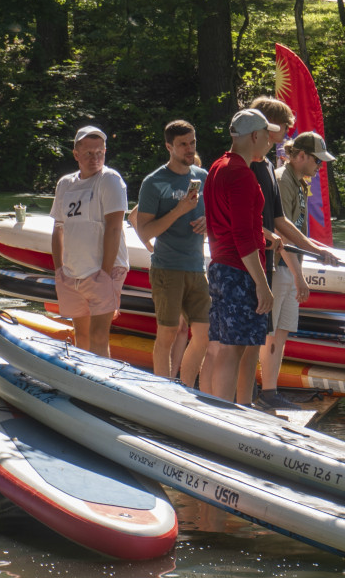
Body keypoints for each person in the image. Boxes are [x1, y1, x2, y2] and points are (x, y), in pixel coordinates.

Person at [238, 97, 338, 409]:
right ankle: (253, 396)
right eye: (316, 160)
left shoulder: (294, 180)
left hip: (286, 264)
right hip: (276, 265)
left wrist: (314, 252)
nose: (319, 166)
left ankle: (268, 392)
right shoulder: (278, 177)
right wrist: (298, 275)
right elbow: (277, 229)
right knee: (263, 336)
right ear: (301, 156)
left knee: (278, 335)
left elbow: (286, 226)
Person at [202, 109, 278, 402]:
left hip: (219, 267)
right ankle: (223, 415)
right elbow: (243, 236)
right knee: (233, 349)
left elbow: (229, 222)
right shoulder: (242, 174)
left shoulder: (217, 167)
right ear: (255, 136)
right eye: (268, 136)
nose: (271, 142)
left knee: (221, 344)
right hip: (239, 270)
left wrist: (264, 236)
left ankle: (211, 408)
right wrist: (262, 283)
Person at [136, 120, 210, 384]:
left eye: (192, 143)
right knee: (167, 334)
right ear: (169, 147)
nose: (189, 149)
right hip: (167, 267)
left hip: (196, 267)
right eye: (183, 144)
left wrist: (208, 223)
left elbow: (216, 217)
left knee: (204, 334)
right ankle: (162, 391)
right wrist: (178, 210)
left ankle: (187, 390)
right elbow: (144, 232)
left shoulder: (202, 177)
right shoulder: (154, 182)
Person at [50, 125, 129, 357]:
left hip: (103, 271)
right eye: (88, 153)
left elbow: (114, 228)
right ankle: (81, 383)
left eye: (100, 153)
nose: (95, 158)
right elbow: (58, 228)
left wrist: (104, 273)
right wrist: (58, 270)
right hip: (73, 273)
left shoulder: (110, 180)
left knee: (98, 335)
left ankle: (100, 386)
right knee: (81, 335)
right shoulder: (65, 184)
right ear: (76, 154)